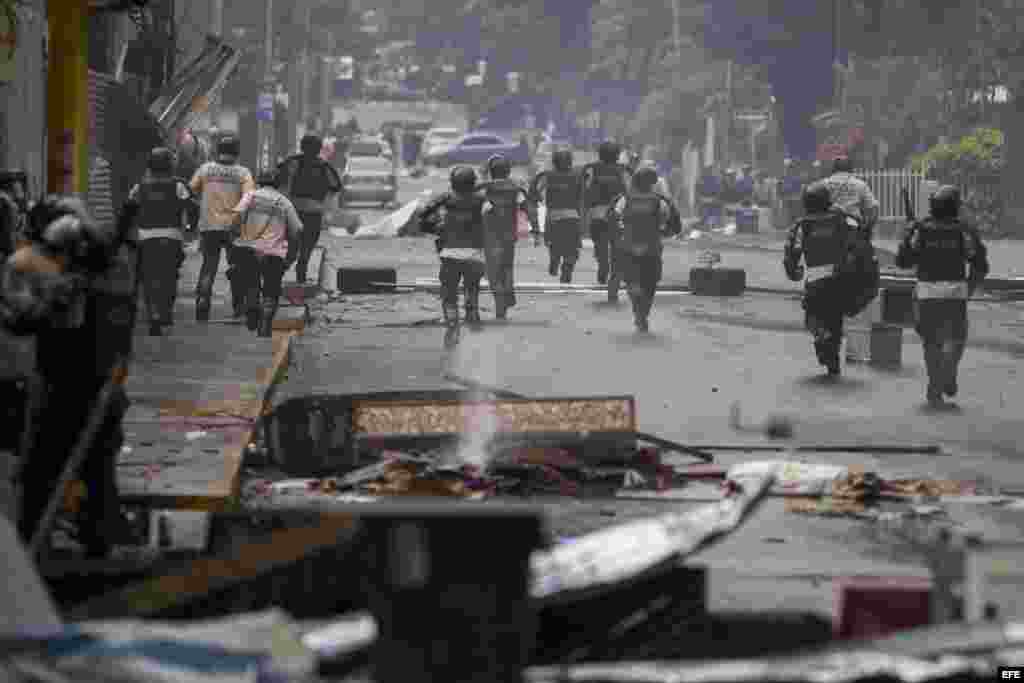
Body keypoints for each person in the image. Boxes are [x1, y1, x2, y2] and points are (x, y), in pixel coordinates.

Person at [2, 195, 139, 557]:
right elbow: (19, 319)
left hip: (94, 378)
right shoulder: (27, 264)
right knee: (42, 463)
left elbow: (119, 311)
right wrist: (54, 298)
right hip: (54, 378)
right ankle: (33, 544)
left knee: (98, 463)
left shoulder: (94, 264)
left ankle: (99, 536)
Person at [896, 185, 989, 408]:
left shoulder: (920, 229)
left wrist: (906, 235)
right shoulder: (964, 230)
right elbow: (980, 264)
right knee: (957, 337)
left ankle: (935, 384)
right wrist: (969, 287)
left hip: (926, 293)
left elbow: (903, 262)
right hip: (956, 294)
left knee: (931, 341)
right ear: (955, 206)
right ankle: (948, 370)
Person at [783, 181, 865, 377]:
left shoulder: (802, 225)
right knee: (837, 317)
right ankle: (830, 348)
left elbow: (792, 252)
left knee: (811, 319)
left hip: (816, 280)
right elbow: (859, 237)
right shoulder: (843, 219)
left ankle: (823, 336)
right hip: (841, 278)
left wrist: (794, 271)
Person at [414, 166, 488, 349]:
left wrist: (436, 227)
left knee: (449, 291)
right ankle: (472, 312)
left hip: (449, 253)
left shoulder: (446, 198)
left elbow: (422, 214)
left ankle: (452, 319)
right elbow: (495, 217)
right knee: (472, 286)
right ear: (473, 182)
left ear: (453, 182)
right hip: (475, 254)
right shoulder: (481, 200)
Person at [607, 166, 682, 332]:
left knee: (631, 280)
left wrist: (618, 235)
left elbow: (612, 218)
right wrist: (665, 232)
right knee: (650, 282)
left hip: (628, 246)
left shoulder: (624, 199)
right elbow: (674, 223)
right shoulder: (660, 201)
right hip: (652, 247)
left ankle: (638, 310)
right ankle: (643, 314)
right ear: (653, 183)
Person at [128, 147, 194, 336]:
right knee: (170, 276)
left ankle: (153, 314)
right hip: (172, 238)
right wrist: (189, 229)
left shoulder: (140, 186)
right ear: (170, 166)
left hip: (145, 238)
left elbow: (129, 208)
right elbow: (190, 208)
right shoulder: (178, 186)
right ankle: (166, 312)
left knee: (148, 278)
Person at [230, 170, 304, 337]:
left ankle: (252, 307)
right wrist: (291, 256)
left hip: (248, 249)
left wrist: (234, 236)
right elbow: (298, 230)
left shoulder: (250, 196)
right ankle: (265, 323)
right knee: (271, 289)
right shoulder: (284, 202)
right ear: (278, 184)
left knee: (251, 283)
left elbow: (236, 219)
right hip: (273, 253)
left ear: (259, 182)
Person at [189, 134, 255, 322]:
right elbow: (249, 198)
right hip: (233, 228)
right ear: (237, 152)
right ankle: (238, 306)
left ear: (218, 151)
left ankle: (203, 301)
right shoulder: (243, 173)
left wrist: (203, 204)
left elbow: (191, 190)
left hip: (209, 226)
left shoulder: (205, 169)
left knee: (209, 265)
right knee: (236, 266)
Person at [476, 154, 539, 320]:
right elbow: (529, 210)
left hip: (490, 237)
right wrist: (536, 231)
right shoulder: (516, 189)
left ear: (491, 171)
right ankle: (507, 295)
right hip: (509, 236)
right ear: (508, 171)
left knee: (493, 272)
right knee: (506, 268)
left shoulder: (483, 188)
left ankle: (501, 300)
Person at [276, 134, 343, 284]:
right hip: (314, 212)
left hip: (294, 211)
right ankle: (301, 274)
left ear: (302, 146)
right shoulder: (324, 166)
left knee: (292, 248)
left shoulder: (291, 162)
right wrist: (327, 207)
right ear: (319, 149)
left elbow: (277, 181)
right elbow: (335, 187)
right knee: (307, 247)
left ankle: (277, 274)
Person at [581, 140, 631, 291]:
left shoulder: (591, 168)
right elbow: (630, 189)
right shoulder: (624, 169)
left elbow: (585, 188)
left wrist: (585, 209)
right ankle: (615, 273)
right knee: (616, 245)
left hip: (597, 213)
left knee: (600, 244)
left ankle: (603, 264)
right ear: (617, 155)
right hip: (617, 213)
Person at [529, 148, 583, 284]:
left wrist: (538, 198)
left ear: (554, 162)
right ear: (570, 162)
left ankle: (554, 258)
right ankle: (568, 266)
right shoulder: (577, 176)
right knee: (573, 246)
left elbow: (536, 191)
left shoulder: (547, 176)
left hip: (553, 216)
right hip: (573, 216)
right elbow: (584, 194)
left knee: (552, 242)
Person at [822, 157, 879, 237]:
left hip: (828, 227)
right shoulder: (860, 184)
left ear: (833, 169)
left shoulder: (823, 184)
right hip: (853, 227)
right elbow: (874, 208)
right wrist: (867, 228)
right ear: (851, 169)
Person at [0, 169, 29, 260]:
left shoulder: (6, 201)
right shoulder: (9, 205)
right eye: (19, 186)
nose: (22, 190)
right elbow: (9, 234)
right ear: (11, 187)